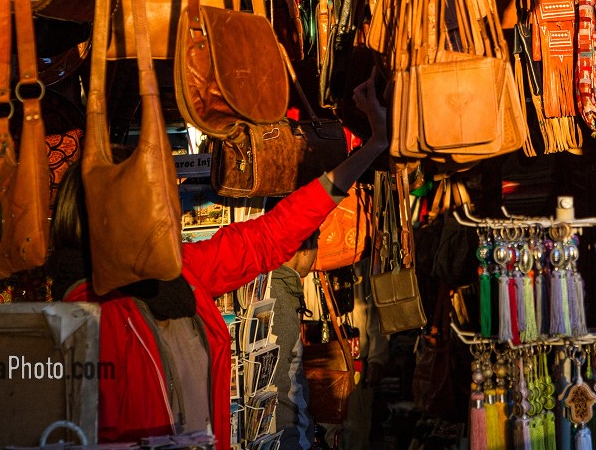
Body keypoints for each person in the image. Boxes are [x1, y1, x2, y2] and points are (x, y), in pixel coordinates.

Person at [48, 76, 389, 449]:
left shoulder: (177, 276)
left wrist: (374, 146)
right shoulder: (90, 317)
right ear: (116, 216)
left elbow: (272, 235)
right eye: (153, 200)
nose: (168, 211)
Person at [271, 231, 318, 449]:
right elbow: (284, 387)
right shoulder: (280, 301)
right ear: (305, 248)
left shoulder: (280, 288)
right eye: (316, 242)